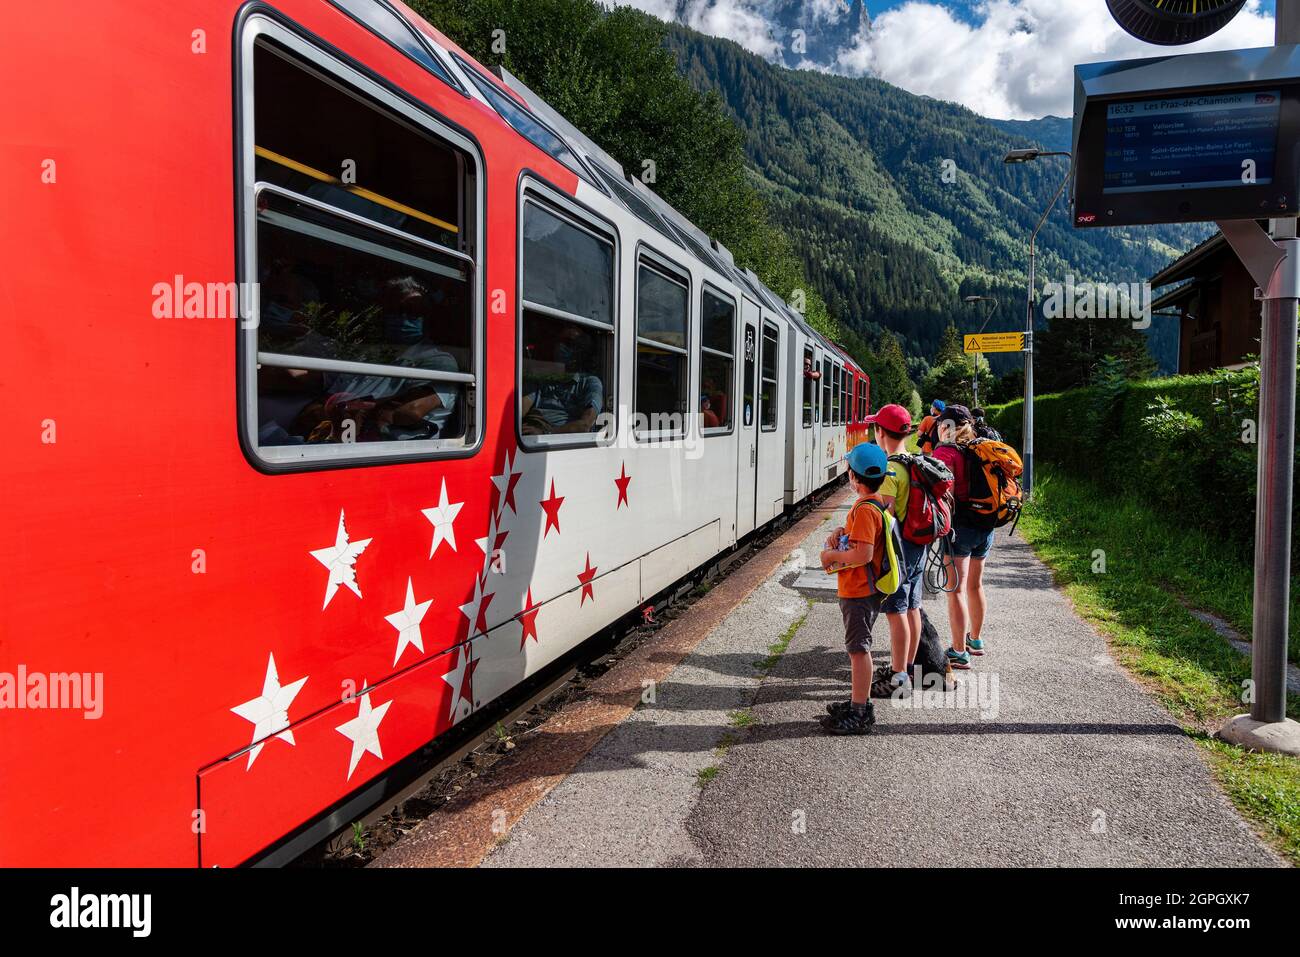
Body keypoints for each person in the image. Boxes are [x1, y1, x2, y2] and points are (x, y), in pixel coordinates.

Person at [818, 443, 891, 735]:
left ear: (854, 477)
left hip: (859, 591)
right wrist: (841, 533)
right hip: (864, 590)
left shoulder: (864, 510)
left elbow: (863, 555)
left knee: (858, 651)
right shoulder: (875, 503)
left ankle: (860, 712)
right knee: (858, 649)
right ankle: (858, 702)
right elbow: (861, 541)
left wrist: (830, 557)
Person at [864, 403, 924, 698]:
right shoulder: (913, 460)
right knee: (913, 607)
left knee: (895, 610)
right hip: (918, 546)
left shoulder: (890, 470)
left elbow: (883, 515)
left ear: (880, 432)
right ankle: (908, 667)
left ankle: (900, 678)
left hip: (899, 550)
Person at [930, 405, 991, 668]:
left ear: (948, 427)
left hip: (960, 528)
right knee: (975, 586)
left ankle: (958, 651)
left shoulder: (946, 452)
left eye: (941, 425)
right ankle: (975, 640)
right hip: (986, 525)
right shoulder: (980, 448)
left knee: (955, 590)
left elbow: (943, 491)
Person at [521, 317, 605, 435]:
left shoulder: (590, 383)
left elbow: (585, 424)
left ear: (579, 351)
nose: (561, 347)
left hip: (551, 440)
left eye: (568, 343)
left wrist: (545, 433)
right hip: (529, 429)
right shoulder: (546, 378)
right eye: (559, 342)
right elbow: (522, 405)